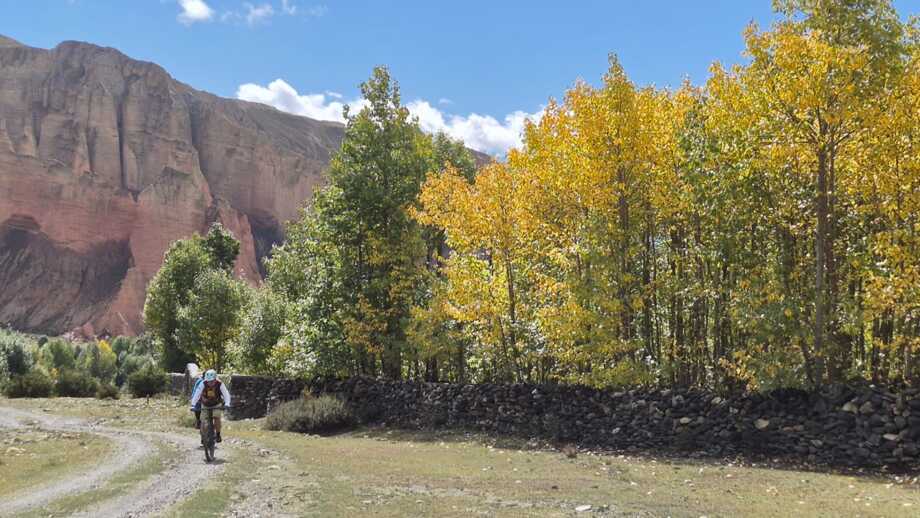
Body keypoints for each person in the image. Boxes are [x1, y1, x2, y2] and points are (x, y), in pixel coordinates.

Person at [190, 369, 231, 442]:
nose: (210, 383)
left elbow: (226, 394)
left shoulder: (220, 384)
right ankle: (203, 436)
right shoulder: (203, 383)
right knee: (203, 420)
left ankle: (218, 434)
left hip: (216, 404)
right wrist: (193, 404)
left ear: (215, 379)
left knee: (216, 417)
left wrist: (227, 403)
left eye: (212, 381)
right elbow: (197, 394)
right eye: (208, 381)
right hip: (205, 404)